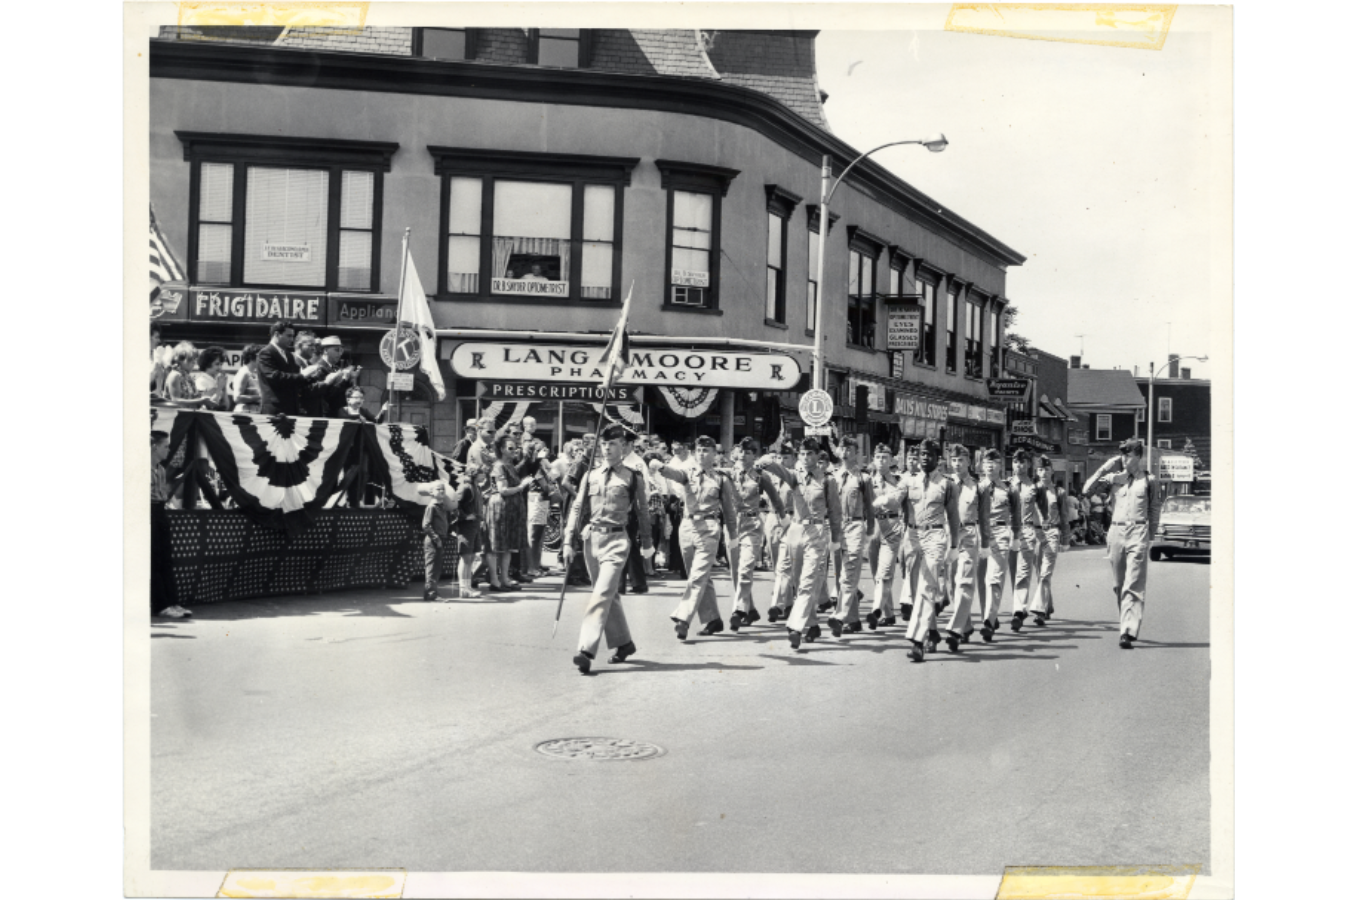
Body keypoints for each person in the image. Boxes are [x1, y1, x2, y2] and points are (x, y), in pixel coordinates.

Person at [563, 424, 655, 674]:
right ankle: (624, 643)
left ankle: (585, 649)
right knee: (608, 594)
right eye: (603, 444)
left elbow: (642, 511)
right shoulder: (589, 475)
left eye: (612, 444)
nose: (606, 448)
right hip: (592, 540)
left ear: (623, 447)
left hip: (617, 541)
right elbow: (577, 507)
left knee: (601, 594)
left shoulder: (632, 476)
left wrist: (647, 544)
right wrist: (567, 541)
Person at [755, 438, 844, 648]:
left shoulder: (827, 480)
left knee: (807, 581)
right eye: (802, 454)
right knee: (797, 582)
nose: (806, 458)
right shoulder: (795, 476)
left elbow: (835, 513)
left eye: (810, 454)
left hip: (817, 531)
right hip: (795, 530)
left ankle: (795, 626)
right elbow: (779, 470)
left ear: (817, 455)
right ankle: (812, 625)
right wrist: (766, 461)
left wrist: (836, 541)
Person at [653, 435, 738, 640]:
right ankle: (713, 620)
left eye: (706, 450)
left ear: (714, 454)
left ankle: (683, 618)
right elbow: (674, 474)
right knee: (700, 576)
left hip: (709, 527)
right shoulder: (688, 474)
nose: (702, 454)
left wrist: (733, 536)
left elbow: (729, 510)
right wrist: (661, 467)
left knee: (698, 576)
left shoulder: (720, 478)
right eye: (699, 450)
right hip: (687, 527)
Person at [1086, 438, 1163, 649]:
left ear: (1138, 456)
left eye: (1128, 455)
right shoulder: (1113, 479)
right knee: (1118, 585)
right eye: (1122, 455)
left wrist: (1151, 535)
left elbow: (1155, 508)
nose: (1124, 459)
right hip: (1116, 532)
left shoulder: (1149, 480)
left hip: (1138, 530)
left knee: (1133, 583)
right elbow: (1086, 490)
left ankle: (1127, 631)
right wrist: (1108, 467)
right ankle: (1126, 620)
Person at [888, 439, 960, 662]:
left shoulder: (947, 485)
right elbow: (898, 507)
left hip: (935, 536)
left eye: (929, 455)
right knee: (916, 589)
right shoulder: (908, 482)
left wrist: (954, 546)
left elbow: (954, 517)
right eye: (922, 455)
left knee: (927, 586)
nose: (925, 458)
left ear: (938, 458)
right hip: (911, 537)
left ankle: (917, 641)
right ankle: (933, 632)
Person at [723, 437, 786, 631]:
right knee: (735, 572)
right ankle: (750, 610)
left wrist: (783, 521)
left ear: (754, 456)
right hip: (732, 525)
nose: (743, 455)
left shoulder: (760, 476)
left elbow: (776, 500)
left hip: (752, 523)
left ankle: (738, 610)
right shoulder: (726, 474)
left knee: (746, 567)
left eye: (748, 452)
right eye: (740, 452)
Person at [939, 444, 992, 651]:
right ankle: (966, 625)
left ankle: (955, 629)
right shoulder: (945, 484)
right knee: (952, 584)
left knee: (965, 582)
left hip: (969, 535)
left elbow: (985, 518)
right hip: (948, 536)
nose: (957, 464)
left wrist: (985, 544)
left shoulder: (979, 487)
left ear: (969, 462)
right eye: (953, 460)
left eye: (961, 460)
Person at [827, 439, 876, 637]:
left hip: (855, 525)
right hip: (837, 527)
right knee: (841, 576)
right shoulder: (832, 477)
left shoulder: (863, 479)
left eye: (850, 449)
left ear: (857, 453)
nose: (845, 451)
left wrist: (870, 531)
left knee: (849, 573)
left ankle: (839, 616)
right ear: (838, 451)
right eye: (842, 448)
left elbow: (870, 508)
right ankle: (853, 620)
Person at [257, 320, 340, 416]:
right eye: (289, 336)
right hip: (274, 409)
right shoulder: (266, 353)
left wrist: (313, 377)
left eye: (292, 336)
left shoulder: (288, 355)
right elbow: (274, 376)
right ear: (277, 334)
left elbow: (296, 382)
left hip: (291, 409)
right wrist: (303, 375)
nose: (292, 340)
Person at [977, 449, 1019, 642]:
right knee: (979, 580)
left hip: (1000, 533)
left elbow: (1016, 515)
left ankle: (988, 621)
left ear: (1001, 465)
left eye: (994, 463)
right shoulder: (976, 488)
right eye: (987, 463)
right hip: (978, 535)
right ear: (982, 466)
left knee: (994, 578)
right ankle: (990, 616)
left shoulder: (1009, 489)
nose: (990, 466)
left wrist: (1015, 535)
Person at [484, 434, 533, 592]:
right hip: (500, 508)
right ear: (501, 449)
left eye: (516, 448)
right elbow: (502, 490)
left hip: (511, 509)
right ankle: (494, 580)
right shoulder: (499, 466)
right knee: (495, 545)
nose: (515, 451)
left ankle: (504, 578)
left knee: (508, 546)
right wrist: (522, 486)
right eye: (511, 448)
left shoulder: (510, 464)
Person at [151, 430, 192, 618]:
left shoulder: (159, 469)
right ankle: (161, 605)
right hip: (148, 512)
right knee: (155, 559)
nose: (168, 450)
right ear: (154, 447)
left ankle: (173, 602)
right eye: (165, 446)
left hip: (160, 512)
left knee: (166, 559)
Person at [1008, 449, 1049, 633]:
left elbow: (1044, 510)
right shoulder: (1005, 485)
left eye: (1023, 462)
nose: (1020, 466)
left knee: (1023, 572)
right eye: (1016, 462)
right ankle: (1018, 605)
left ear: (1029, 464)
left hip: (1027, 531)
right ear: (1012, 464)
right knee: (1011, 572)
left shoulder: (1036, 486)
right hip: (1007, 532)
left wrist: (1041, 529)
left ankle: (1018, 610)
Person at [868, 443, 909, 629]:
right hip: (873, 527)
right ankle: (889, 614)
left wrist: (885, 500)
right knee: (876, 573)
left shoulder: (899, 481)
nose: (881, 461)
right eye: (878, 457)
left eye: (885, 457)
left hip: (892, 526)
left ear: (892, 460)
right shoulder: (867, 481)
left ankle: (876, 609)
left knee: (884, 572)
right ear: (873, 460)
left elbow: (897, 499)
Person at [1031, 455, 1072, 625]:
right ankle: (1048, 607)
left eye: (1046, 469)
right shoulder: (1032, 490)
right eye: (1040, 469)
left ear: (1052, 471)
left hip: (1052, 533)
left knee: (1046, 572)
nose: (1043, 473)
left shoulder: (1059, 492)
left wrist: (1066, 539)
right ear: (1036, 471)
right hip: (1035, 534)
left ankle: (1039, 610)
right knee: (1040, 573)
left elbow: (1064, 516)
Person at [420, 481, 452, 602]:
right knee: (432, 568)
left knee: (436, 567)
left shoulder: (442, 506)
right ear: (432, 492)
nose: (441, 491)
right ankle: (430, 593)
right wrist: (436, 538)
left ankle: (432, 592)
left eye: (443, 489)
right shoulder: (432, 506)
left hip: (439, 539)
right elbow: (426, 525)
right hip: (433, 541)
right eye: (438, 489)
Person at [315, 336, 359, 416]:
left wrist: (352, 379)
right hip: (327, 415)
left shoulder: (335, 368)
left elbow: (345, 393)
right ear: (325, 351)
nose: (339, 354)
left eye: (341, 350)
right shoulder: (319, 368)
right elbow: (328, 395)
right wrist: (344, 379)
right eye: (336, 350)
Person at [232, 344, 264, 413]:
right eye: (260, 356)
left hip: (254, 412)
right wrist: (259, 397)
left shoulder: (255, 373)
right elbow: (237, 398)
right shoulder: (244, 372)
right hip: (244, 412)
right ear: (252, 357)